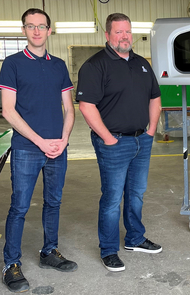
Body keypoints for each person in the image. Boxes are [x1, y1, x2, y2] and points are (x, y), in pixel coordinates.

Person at [76, 13, 162, 272]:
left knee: (136, 194)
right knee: (112, 198)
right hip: (113, 143)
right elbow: (86, 106)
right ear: (107, 35)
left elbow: (155, 98)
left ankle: (135, 238)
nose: (124, 36)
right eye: (118, 32)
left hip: (141, 140)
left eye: (128, 32)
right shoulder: (95, 66)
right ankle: (109, 250)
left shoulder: (142, 63)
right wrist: (108, 139)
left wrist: (151, 132)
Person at [0, 8, 77, 293]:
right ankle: (11, 264)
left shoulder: (58, 65)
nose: (36, 31)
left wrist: (64, 138)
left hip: (57, 148)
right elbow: (8, 110)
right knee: (19, 207)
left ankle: (49, 252)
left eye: (41, 26)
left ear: (49, 30)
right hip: (27, 149)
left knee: (53, 203)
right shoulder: (12, 63)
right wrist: (40, 141)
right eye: (30, 26)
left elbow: (69, 108)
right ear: (23, 31)